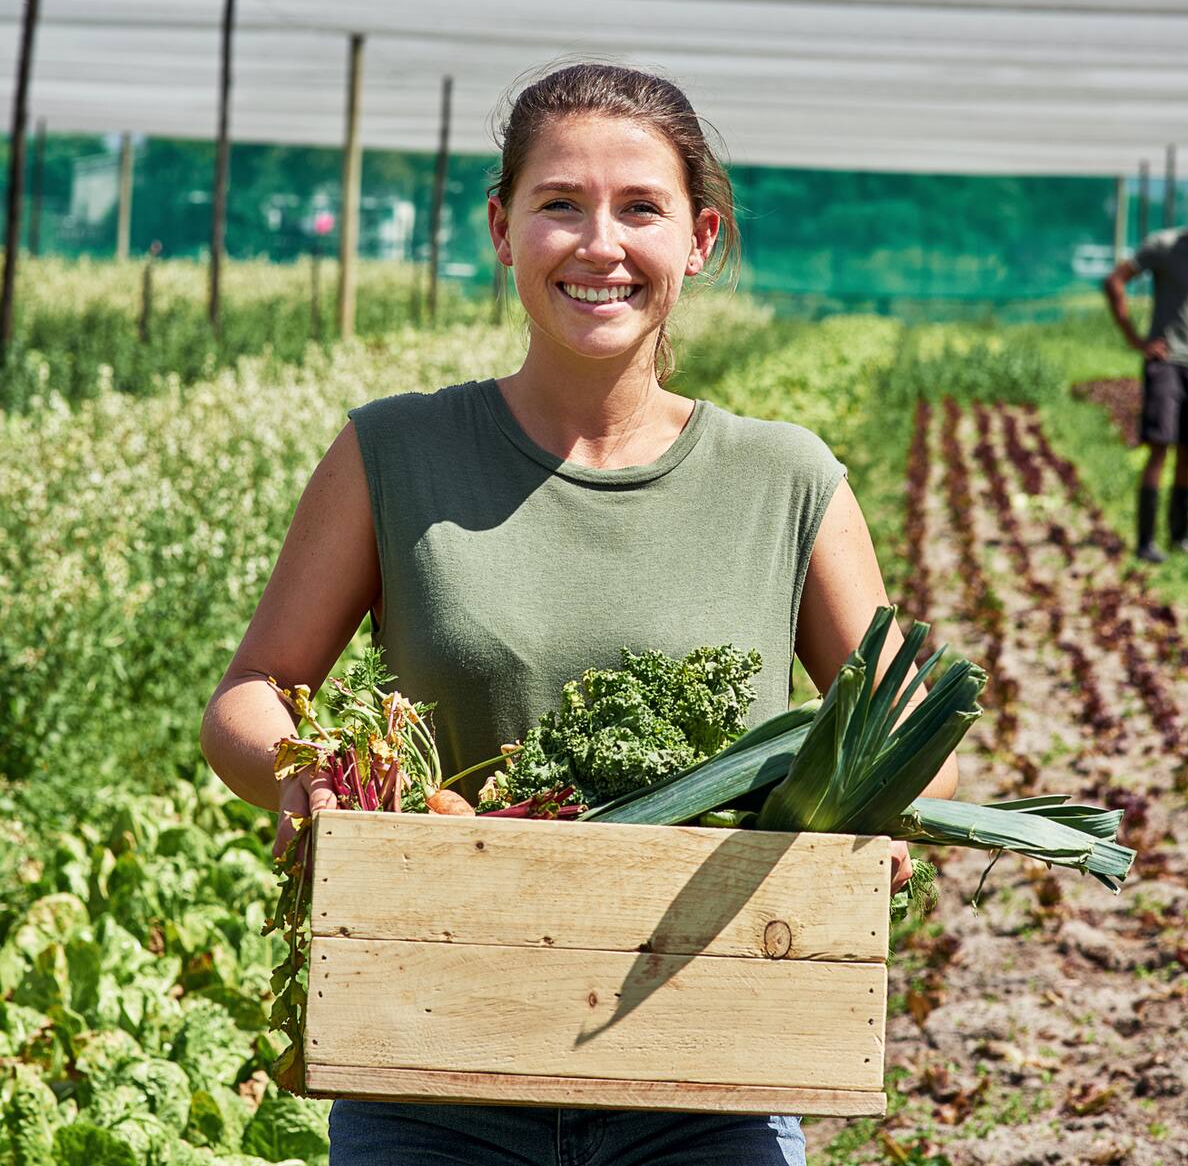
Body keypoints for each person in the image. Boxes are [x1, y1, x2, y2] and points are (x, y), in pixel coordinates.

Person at [201, 63, 957, 1166]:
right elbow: (250, 692)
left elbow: (910, 730)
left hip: (708, 1078)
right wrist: (304, 773)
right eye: (561, 204)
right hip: (429, 1065)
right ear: (503, 230)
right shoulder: (393, 454)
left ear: (698, 238)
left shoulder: (786, 480)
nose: (599, 244)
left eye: (639, 208)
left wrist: (879, 809)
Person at [1104, 221, 1188, 562]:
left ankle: (1180, 536)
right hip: (1168, 363)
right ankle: (1146, 542)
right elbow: (1115, 281)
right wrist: (1136, 339)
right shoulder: (1165, 246)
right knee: (1160, 447)